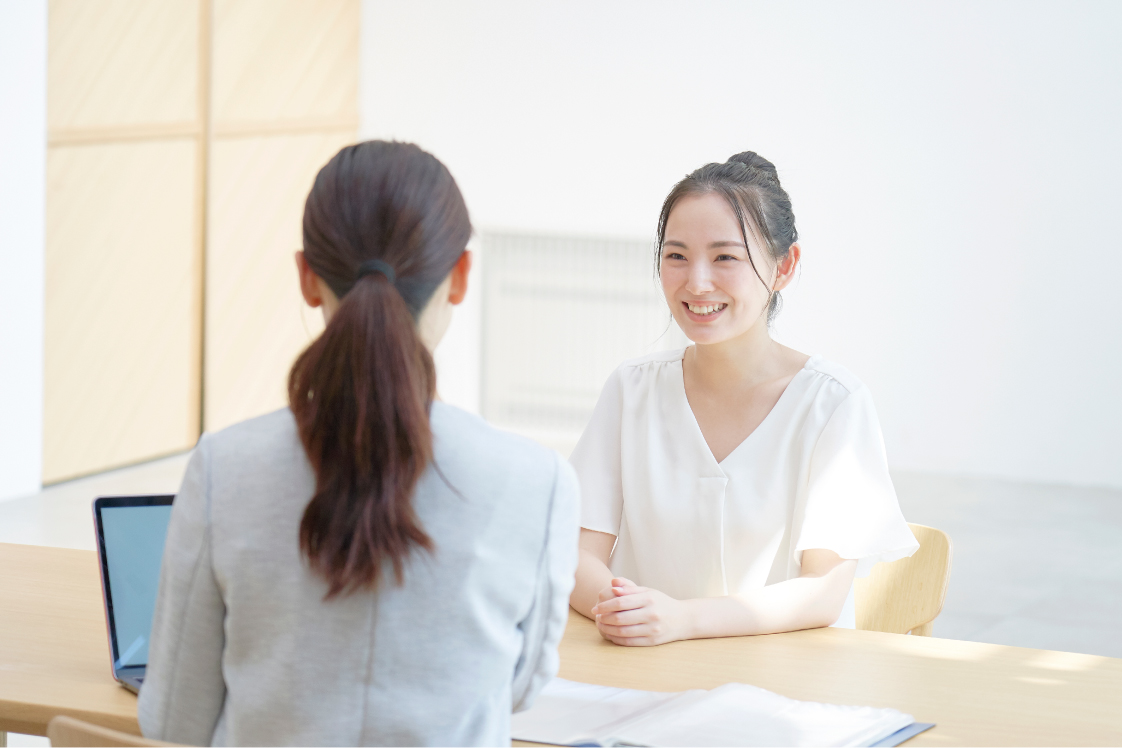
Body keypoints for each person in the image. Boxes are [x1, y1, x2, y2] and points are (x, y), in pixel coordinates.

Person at [138, 141, 579, 746]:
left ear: (307, 277)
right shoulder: (537, 480)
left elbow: (173, 721)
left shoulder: (225, 467)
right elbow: (519, 688)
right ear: (460, 277)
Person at [569, 152, 918, 646]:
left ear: (784, 266)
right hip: (642, 673)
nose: (697, 282)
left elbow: (822, 592)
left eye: (726, 257)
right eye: (676, 255)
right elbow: (576, 557)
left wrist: (680, 620)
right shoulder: (632, 389)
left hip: (780, 689)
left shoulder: (833, 403)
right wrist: (631, 613)